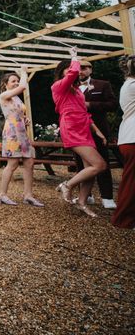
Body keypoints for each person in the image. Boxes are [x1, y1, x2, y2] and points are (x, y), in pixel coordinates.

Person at [51, 48, 107, 218]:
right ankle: (67, 185)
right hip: (72, 128)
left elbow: (86, 115)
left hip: (84, 129)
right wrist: (74, 57)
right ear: (62, 73)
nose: (73, 70)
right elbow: (73, 72)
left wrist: (98, 132)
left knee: (91, 168)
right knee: (100, 165)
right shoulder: (58, 86)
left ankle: (82, 202)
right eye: (67, 69)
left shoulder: (78, 92)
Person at [73, 60, 118, 209]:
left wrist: (90, 105)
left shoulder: (102, 84)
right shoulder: (72, 86)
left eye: (85, 68)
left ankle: (107, 197)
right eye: (79, 68)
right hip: (78, 131)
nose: (81, 71)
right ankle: (87, 196)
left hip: (98, 131)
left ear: (91, 69)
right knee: (80, 163)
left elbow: (112, 105)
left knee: (102, 162)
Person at [0, 68, 44, 207]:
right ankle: (2, 195)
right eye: (13, 81)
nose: (17, 83)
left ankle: (28, 195)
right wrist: (23, 73)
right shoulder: (5, 95)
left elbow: (19, 113)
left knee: (29, 163)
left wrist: (25, 119)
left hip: (22, 132)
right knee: (12, 164)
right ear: (5, 84)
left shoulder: (16, 98)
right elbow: (23, 86)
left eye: (18, 80)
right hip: (12, 133)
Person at [111, 55, 135, 229]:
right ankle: (123, 219)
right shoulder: (133, 85)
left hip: (129, 136)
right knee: (131, 181)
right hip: (133, 138)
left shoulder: (128, 85)